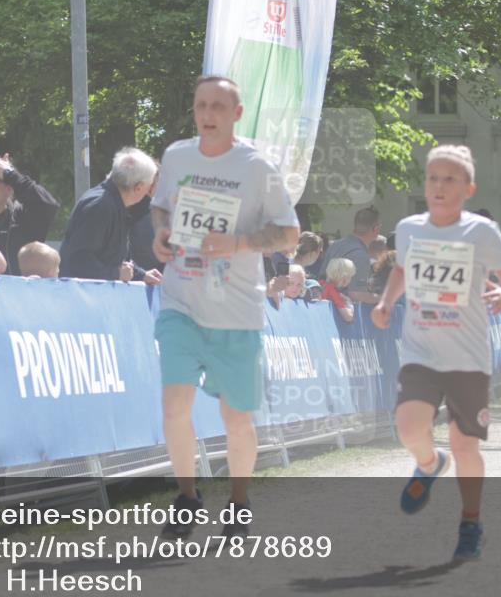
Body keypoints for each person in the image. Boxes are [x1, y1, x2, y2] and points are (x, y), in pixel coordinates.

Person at [149, 75, 299, 540]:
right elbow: (160, 208)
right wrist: (160, 233)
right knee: (175, 403)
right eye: (200, 106)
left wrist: (237, 242)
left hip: (236, 310)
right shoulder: (176, 156)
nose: (207, 115)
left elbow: (289, 234)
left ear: (236, 113)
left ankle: (238, 499)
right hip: (181, 301)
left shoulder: (257, 167)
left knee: (237, 419)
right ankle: (188, 496)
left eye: (218, 106)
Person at [372, 145, 501, 560]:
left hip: (469, 357)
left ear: (468, 188)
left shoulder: (480, 232)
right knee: (408, 427)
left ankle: (471, 522)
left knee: (465, 446)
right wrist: (387, 303)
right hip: (422, 350)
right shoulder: (408, 229)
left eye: (449, 180)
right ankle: (427, 463)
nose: (438, 187)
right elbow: (402, 269)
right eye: (432, 178)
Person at [59, 147, 162, 285]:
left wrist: (142, 275)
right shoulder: (100, 206)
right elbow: (77, 261)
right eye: (148, 188)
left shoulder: (113, 203)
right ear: (138, 187)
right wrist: (116, 274)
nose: (149, 194)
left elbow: (112, 258)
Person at [0, 152, 59, 275]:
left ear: (9, 189)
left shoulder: (21, 220)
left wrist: (10, 174)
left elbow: (47, 205)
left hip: (13, 293)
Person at [320, 206, 382, 303]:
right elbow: (357, 295)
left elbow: (322, 279)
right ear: (376, 229)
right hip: (343, 312)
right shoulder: (361, 255)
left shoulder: (335, 245)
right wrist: (385, 300)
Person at [320, 258, 355, 324]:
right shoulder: (333, 291)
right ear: (344, 278)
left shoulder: (320, 284)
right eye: (350, 277)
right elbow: (348, 317)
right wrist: (349, 303)